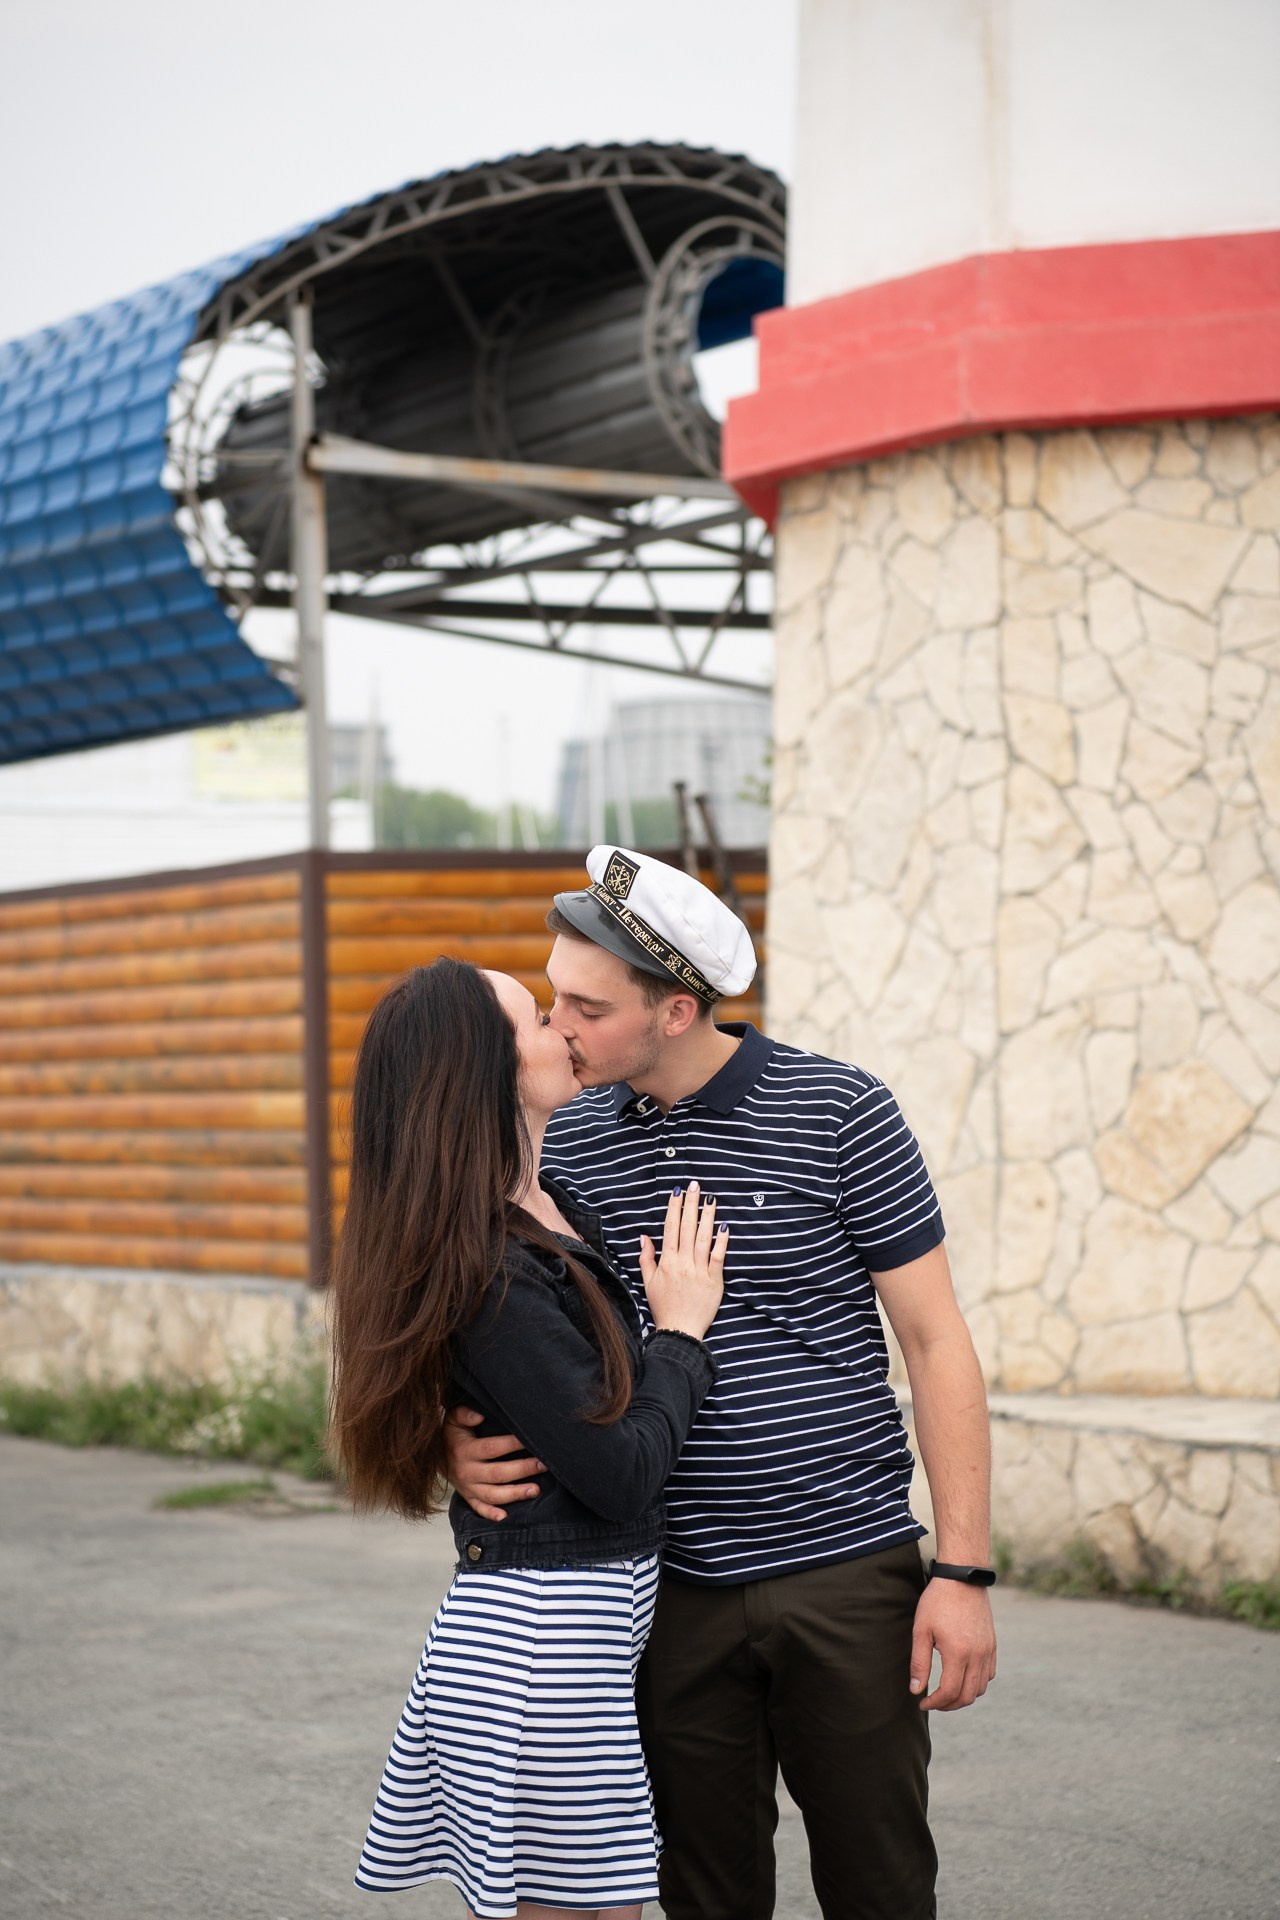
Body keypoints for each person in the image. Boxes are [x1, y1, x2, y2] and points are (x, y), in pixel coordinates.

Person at [447, 847, 998, 1920]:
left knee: (880, 1887)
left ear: (675, 1009)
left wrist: (962, 1572)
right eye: (552, 998)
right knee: (700, 1893)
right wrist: (443, 1442)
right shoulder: (566, 1140)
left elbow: (935, 1343)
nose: (558, 1026)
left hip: (844, 1572)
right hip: (658, 1594)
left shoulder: (839, 1111)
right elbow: (491, 1319)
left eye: (586, 1008)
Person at [328, 956, 730, 1920]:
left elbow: (523, 1401)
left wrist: (446, 1437)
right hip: (539, 1674)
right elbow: (621, 1473)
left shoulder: (548, 1210)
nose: (565, 1028)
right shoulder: (494, 1267)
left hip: (564, 1656)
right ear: (485, 1073)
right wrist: (681, 1334)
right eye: (537, 1020)